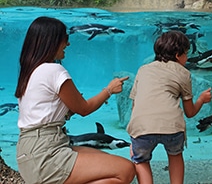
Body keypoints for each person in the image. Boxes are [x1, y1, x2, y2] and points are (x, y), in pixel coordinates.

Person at [15, 16, 136, 184]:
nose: (68, 44)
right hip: (45, 153)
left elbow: (44, 113)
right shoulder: (54, 70)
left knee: (106, 161)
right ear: (52, 41)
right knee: (125, 170)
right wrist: (109, 90)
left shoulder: (30, 72)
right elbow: (84, 109)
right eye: (66, 38)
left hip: (31, 150)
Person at [127, 30, 212, 184]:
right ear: (178, 55)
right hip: (172, 128)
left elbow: (135, 106)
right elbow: (190, 112)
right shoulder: (184, 73)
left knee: (140, 160)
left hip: (142, 127)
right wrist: (201, 99)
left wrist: (135, 135)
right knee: (175, 156)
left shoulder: (143, 70)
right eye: (186, 54)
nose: (187, 58)